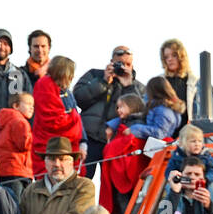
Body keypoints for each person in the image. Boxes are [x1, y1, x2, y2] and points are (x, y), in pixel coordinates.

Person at [75, 45, 145, 174]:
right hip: (88, 138)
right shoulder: (94, 75)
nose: (123, 67)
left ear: (132, 66)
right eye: (119, 63)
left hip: (115, 143)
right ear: (111, 62)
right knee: (81, 181)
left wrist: (128, 86)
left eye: (127, 64)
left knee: (110, 187)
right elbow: (78, 98)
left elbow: (139, 113)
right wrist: (103, 81)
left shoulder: (138, 88)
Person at [31, 55, 83, 178]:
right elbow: (53, 120)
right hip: (48, 144)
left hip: (62, 146)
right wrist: (74, 118)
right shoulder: (45, 85)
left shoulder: (64, 91)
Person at [0, 91, 34, 189]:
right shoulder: (20, 122)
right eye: (28, 104)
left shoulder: (5, 122)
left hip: (3, 170)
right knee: (18, 202)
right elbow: (24, 144)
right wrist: (37, 139)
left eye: (33, 105)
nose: (31, 108)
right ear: (16, 106)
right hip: (18, 170)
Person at [158, 38, 199, 125]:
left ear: (181, 56)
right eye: (166, 57)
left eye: (174, 55)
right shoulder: (159, 81)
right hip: (165, 132)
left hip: (188, 131)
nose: (169, 59)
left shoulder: (194, 81)